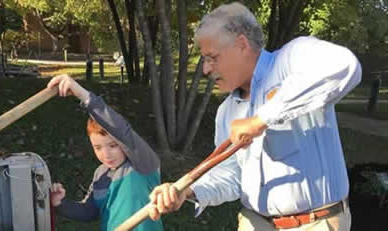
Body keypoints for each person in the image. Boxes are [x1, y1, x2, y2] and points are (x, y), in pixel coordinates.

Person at [148, 2, 362, 231]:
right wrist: (187, 191)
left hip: (315, 223)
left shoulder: (292, 59)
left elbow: (345, 66)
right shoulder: (227, 111)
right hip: (255, 223)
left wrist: (262, 118)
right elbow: (232, 175)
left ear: (241, 44)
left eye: (212, 58)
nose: (206, 69)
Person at [47, 75, 164, 231]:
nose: (106, 154)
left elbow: (121, 130)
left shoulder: (143, 164)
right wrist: (59, 204)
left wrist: (83, 95)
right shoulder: (100, 175)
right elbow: (89, 211)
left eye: (113, 145)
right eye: (98, 147)